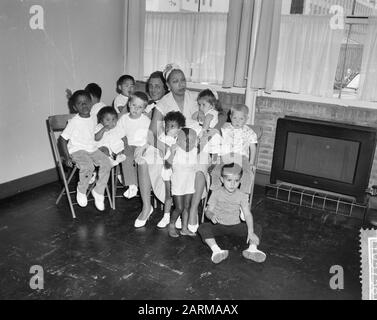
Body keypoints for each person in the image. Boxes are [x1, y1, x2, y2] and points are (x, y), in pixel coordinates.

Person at [135, 64, 208, 229]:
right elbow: (152, 133)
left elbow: (221, 113)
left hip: (193, 144)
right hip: (169, 143)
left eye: (183, 80)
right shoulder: (163, 103)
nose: (181, 84)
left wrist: (213, 130)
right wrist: (164, 148)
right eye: (175, 81)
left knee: (200, 162)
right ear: (168, 85)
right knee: (144, 159)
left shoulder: (197, 98)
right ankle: (146, 207)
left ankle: (192, 209)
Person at [198, 163, 266, 264]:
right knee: (203, 227)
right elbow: (208, 211)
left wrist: (251, 232)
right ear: (222, 180)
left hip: (236, 226)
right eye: (229, 180)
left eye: (236, 181)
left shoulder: (242, 195)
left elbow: (247, 214)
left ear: (240, 181)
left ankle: (252, 249)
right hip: (219, 225)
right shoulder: (216, 193)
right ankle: (216, 251)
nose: (232, 184)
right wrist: (211, 215)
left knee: (257, 227)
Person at [58, 90, 112, 211]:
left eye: (86, 102)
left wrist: (103, 130)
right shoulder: (74, 122)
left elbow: (93, 135)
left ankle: (98, 191)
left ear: (91, 103)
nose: (84, 105)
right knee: (88, 166)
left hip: (91, 148)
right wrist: (66, 157)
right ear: (75, 107)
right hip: (77, 150)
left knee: (106, 163)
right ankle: (81, 190)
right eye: (80, 103)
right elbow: (62, 139)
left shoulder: (93, 118)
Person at [211, 104, 257, 195]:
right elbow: (217, 143)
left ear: (246, 119)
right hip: (226, 156)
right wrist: (216, 158)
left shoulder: (249, 132)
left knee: (248, 174)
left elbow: (253, 148)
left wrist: (251, 163)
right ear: (230, 117)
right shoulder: (225, 129)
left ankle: (243, 197)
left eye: (241, 119)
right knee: (216, 171)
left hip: (242, 157)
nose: (237, 121)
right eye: (235, 118)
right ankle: (215, 194)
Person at [116, 92, 151, 202]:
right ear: (129, 104)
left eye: (140, 107)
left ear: (144, 109)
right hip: (128, 145)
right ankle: (132, 185)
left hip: (142, 146)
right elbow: (119, 133)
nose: (136, 109)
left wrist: (145, 146)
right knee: (125, 155)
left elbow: (149, 136)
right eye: (134, 105)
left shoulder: (146, 120)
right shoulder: (124, 119)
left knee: (140, 158)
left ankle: (134, 182)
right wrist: (123, 142)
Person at [167, 128, 198, 238]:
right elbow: (167, 166)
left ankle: (184, 228)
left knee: (187, 207)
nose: (190, 143)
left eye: (193, 141)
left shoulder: (195, 151)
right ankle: (171, 225)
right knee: (179, 207)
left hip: (189, 182)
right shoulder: (175, 150)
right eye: (186, 140)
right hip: (178, 183)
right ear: (178, 140)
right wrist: (171, 153)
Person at [157, 111, 186, 229]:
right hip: (168, 170)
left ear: (180, 128)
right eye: (167, 126)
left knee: (178, 196)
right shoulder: (163, 138)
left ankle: (178, 217)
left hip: (180, 171)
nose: (169, 128)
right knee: (169, 195)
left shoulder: (183, 138)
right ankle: (166, 216)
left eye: (172, 126)